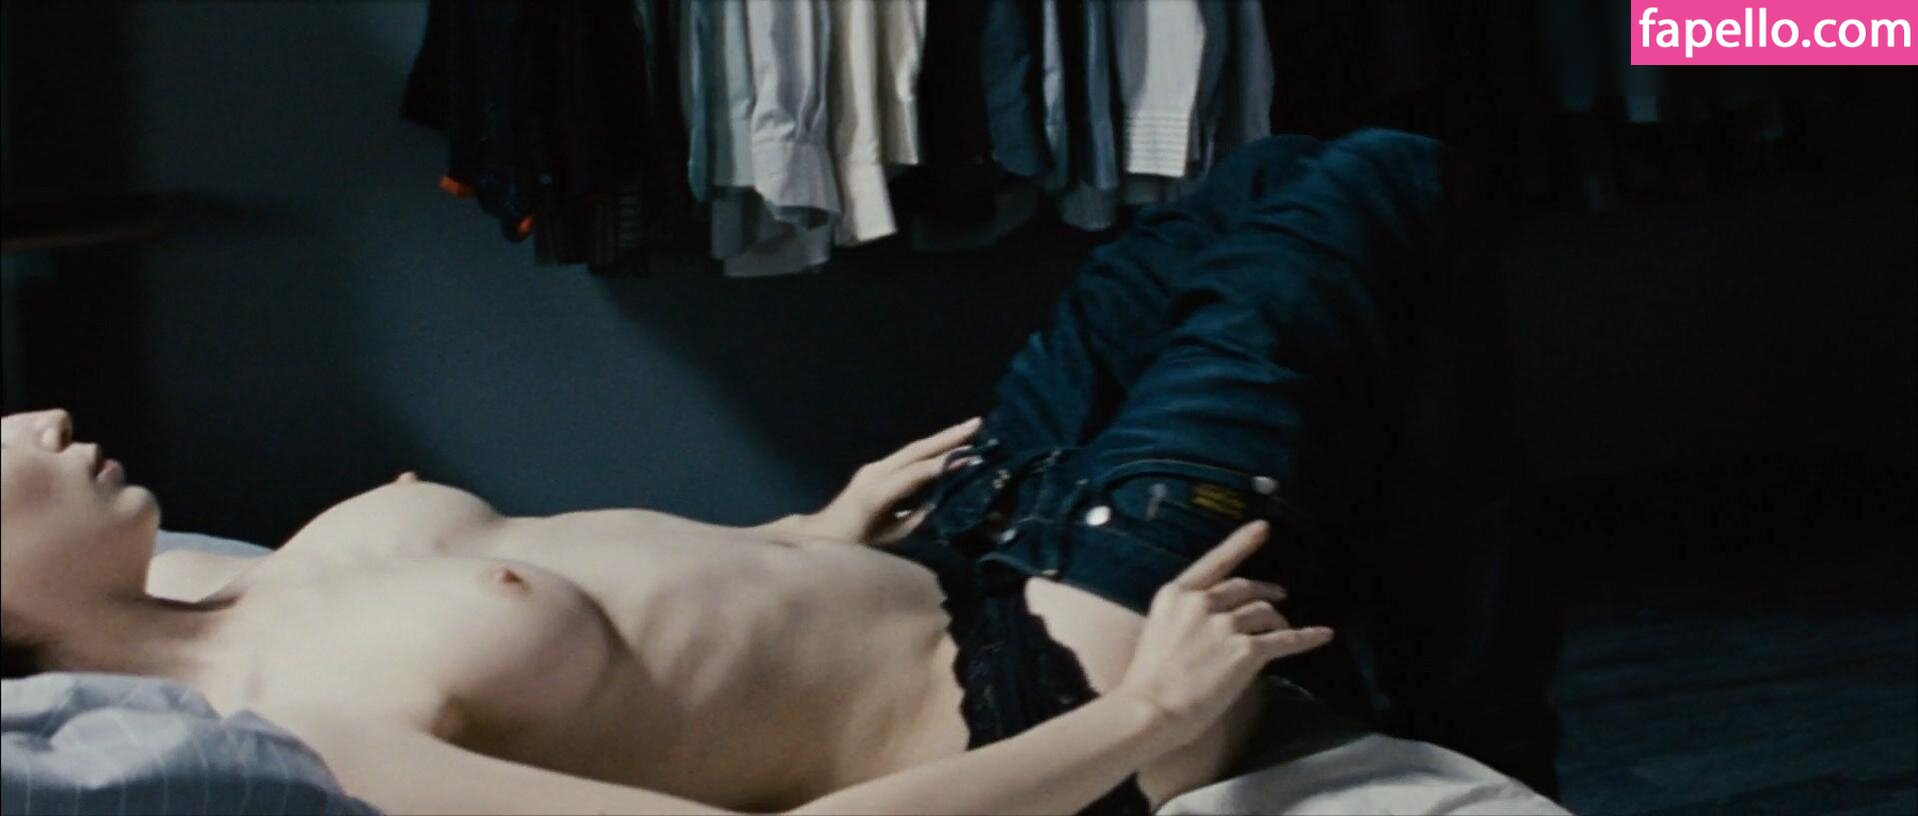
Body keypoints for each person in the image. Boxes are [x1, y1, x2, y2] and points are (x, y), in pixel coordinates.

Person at [0, 130, 1457, 815]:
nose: (43, 419)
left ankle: (1441, 652)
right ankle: (1480, 687)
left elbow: (626, 632)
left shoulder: (225, 576)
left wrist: (805, 530)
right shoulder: (309, 731)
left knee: (1265, 182)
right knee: (1373, 180)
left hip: (960, 537)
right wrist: (1150, 713)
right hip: (1057, 665)